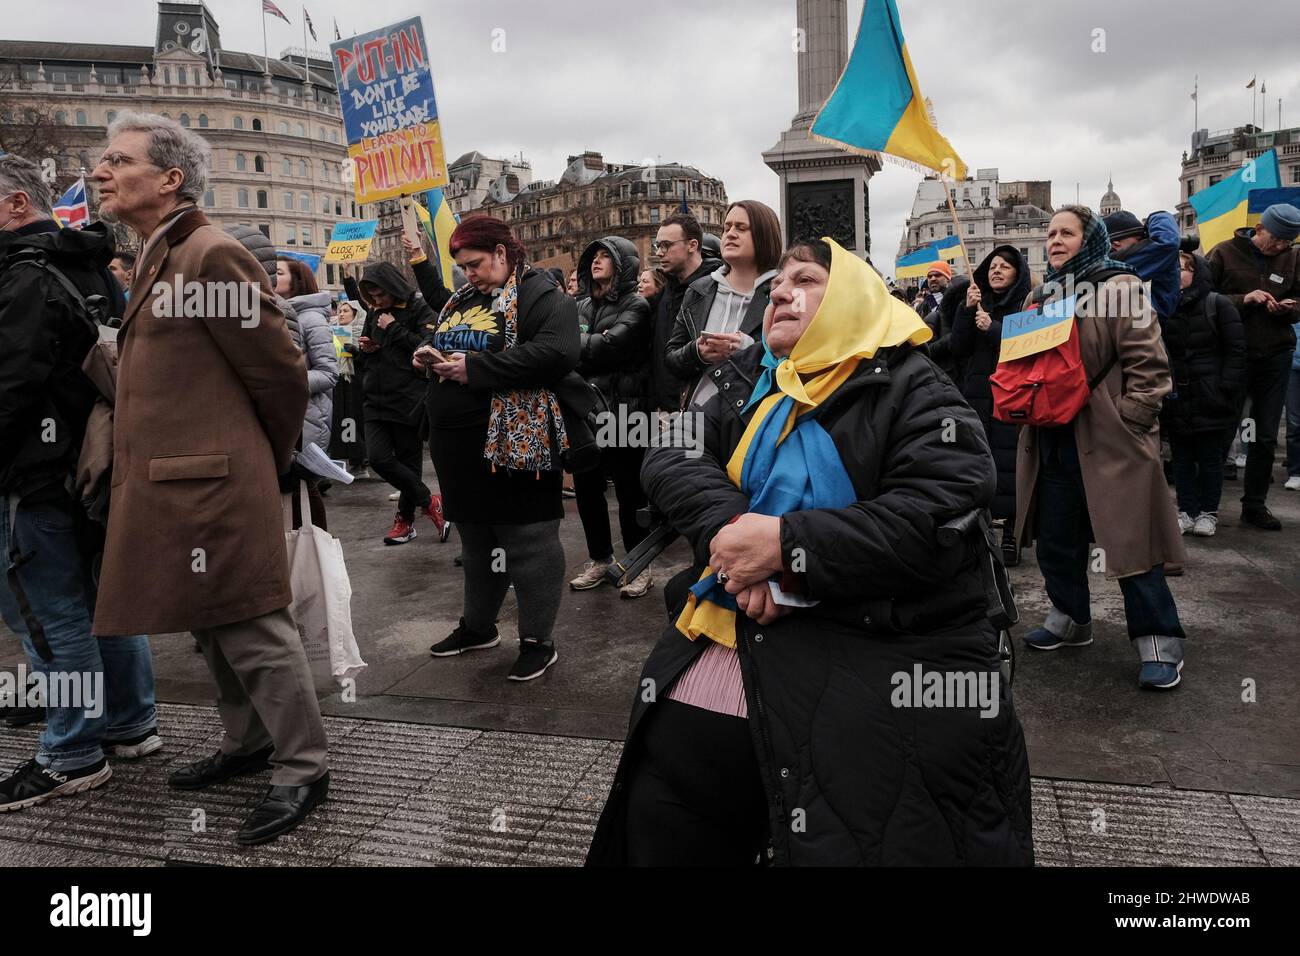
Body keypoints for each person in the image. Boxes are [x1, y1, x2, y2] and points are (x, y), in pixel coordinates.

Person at [586, 237, 1032, 866]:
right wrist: (737, 535)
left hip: (871, 667)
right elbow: (671, 453)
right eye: (775, 287)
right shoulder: (740, 377)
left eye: (806, 280)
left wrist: (789, 548)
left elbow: (938, 510)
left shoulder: (912, 386)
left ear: (854, 296)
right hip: (717, 645)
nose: (781, 293)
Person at [88, 112, 329, 843]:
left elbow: (281, 373)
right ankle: (247, 744)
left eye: (118, 160)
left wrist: (259, 458)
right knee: (212, 625)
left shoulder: (208, 253)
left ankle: (303, 766)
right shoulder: (164, 252)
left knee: (252, 625)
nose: (101, 170)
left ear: (169, 179)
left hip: (215, 485)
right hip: (177, 484)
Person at [0, 152, 158, 812]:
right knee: (103, 604)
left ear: (15, 205)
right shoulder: (88, 263)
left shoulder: (22, 275)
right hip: (91, 468)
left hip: (32, 477)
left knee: (47, 617)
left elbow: (9, 387)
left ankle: (70, 754)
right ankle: (130, 723)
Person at [1015, 205, 1188, 690]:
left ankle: (1159, 641)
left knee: (1132, 541)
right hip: (1051, 439)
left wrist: (1132, 420)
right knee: (1056, 540)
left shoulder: (1120, 287)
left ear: (1090, 238)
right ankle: (1070, 619)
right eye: (1049, 233)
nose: (1055, 240)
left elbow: (1151, 368)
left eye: (1066, 232)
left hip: (1109, 439)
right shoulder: (1038, 295)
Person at [419, 216, 579, 681]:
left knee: (527, 541)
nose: (467, 274)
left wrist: (476, 370)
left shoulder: (541, 294)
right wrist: (426, 357)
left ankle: (537, 641)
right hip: (457, 441)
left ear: (503, 253)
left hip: (516, 440)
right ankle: (479, 627)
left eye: (474, 264)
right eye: (461, 267)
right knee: (476, 540)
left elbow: (557, 352)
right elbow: (449, 341)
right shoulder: (462, 299)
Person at [568, 237, 653, 597]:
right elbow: (566, 348)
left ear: (624, 265)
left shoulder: (638, 304)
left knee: (630, 493)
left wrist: (585, 345)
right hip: (586, 409)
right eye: (594, 257)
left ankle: (639, 564)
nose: (596, 262)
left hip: (625, 409)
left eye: (606, 256)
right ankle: (600, 559)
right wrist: (590, 344)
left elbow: (613, 345)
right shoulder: (580, 305)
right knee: (588, 489)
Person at [1207, 202, 1300, 530]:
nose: (1279, 248)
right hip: (1233, 353)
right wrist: (1242, 300)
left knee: (1264, 434)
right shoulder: (1224, 253)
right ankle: (1207, 505)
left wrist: (1289, 308)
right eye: (1276, 240)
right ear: (1259, 229)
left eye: (1286, 243)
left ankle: (1255, 504)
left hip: (1275, 353)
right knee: (1223, 429)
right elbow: (1203, 298)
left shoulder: (1293, 257)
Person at [354, 261, 450, 545]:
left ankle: (405, 521)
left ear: (393, 287)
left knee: (409, 463)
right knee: (379, 457)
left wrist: (394, 327)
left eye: (380, 294)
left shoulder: (419, 308)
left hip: (408, 397)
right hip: (375, 398)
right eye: (372, 296)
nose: (377, 301)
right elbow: (369, 354)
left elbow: (427, 345)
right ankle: (430, 501)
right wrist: (367, 348)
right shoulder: (374, 312)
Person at [949, 245, 1032, 564]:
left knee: (1010, 462)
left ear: (1017, 274)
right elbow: (958, 347)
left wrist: (995, 329)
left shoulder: (1027, 305)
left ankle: (1012, 531)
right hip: (978, 394)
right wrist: (967, 312)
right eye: (993, 266)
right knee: (980, 462)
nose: (996, 271)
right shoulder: (976, 302)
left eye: (1005, 267)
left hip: (1013, 395)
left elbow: (1029, 347)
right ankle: (982, 530)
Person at [1161, 250, 1246, 536]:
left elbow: (1236, 350)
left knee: (1210, 459)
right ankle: (1186, 511)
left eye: (1182, 269)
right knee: (1182, 459)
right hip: (1178, 397)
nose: (1176, 274)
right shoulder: (1165, 307)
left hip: (1211, 397)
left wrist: (1225, 390)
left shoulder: (1218, 304)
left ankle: (1208, 512)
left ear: (1197, 273)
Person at [664, 200, 782, 408]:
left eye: (741, 228)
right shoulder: (699, 289)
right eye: (727, 227)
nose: (730, 234)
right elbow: (671, 358)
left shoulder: (781, 294)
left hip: (751, 417)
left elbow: (795, 362)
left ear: (765, 235)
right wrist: (698, 353)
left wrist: (746, 349)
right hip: (696, 416)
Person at [649, 214, 718, 412]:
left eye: (666, 245)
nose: (660, 252)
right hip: (663, 407)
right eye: (657, 246)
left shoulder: (715, 288)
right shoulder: (666, 290)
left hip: (700, 408)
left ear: (692, 245)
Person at [275, 258, 338, 454]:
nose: (270, 276)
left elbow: (328, 373)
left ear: (297, 280)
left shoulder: (312, 319)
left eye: (279, 272)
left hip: (305, 419)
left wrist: (286, 381)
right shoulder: (274, 315)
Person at [1105, 209, 1181, 323]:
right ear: (1116, 243)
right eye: (1139, 239)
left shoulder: (1107, 267)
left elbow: (1162, 306)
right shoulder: (1115, 266)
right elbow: (1168, 243)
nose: (1144, 244)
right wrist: (1158, 216)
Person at [330, 298, 369, 475]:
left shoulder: (362, 331)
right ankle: (350, 458)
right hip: (340, 381)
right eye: (340, 311)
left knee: (356, 420)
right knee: (343, 421)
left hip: (357, 382)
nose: (341, 314)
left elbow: (369, 360)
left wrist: (357, 353)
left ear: (355, 313)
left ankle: (361, 459)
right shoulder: (333, 330)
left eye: (346, 311)